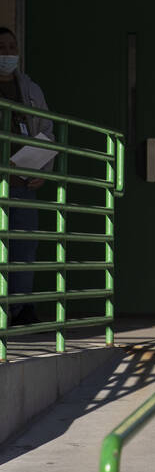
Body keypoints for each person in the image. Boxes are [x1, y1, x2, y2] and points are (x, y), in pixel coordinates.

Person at [0, 28, 52, 326]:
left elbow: (47, 130)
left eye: (12, 47)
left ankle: (20, 308)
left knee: (24, 247)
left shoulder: (30, 89)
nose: (7, 53)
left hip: (23, 181)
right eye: (1, 47)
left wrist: (42, 170)